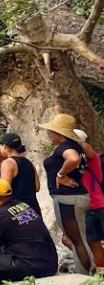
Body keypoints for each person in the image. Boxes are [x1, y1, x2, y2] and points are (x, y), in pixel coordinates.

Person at [40, 113, 93, 273]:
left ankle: (85, 280)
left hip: (68, 198)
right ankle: (88, 275)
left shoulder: (67, 148)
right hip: (78, 196)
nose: (49, 134)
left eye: (52, 131)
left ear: (60, 133)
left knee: (77, 240)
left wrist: (60, 174)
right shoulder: (76, 145)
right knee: (81, 239)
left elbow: (73, 159)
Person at [74, 129, 104, 270]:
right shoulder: (75, 162)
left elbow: (86, 148)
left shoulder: (92, 159)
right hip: (86, 207)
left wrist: (73, 140)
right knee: (92, 242)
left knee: (93, 242)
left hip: (96, 205)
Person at [0, 132, 39, 205]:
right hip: (33, 208)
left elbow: (4, 190)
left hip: (17, 209)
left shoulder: (8, 163)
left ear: (5, 146)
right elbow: (37, 187)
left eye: (0, 146)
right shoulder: (29, 163)